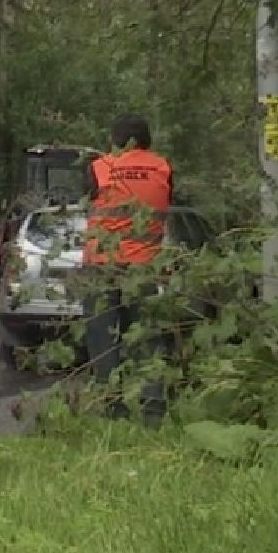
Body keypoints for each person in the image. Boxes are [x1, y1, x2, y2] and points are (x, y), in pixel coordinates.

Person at [82, 113, 175, 422]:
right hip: (143, 268)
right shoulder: (163, 168)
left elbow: (89, 202)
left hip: (101, 267)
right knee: (147, 338)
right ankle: (153, 408)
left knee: (103, 340)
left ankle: (112, 408)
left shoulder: (100, 167)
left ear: (116, 140)